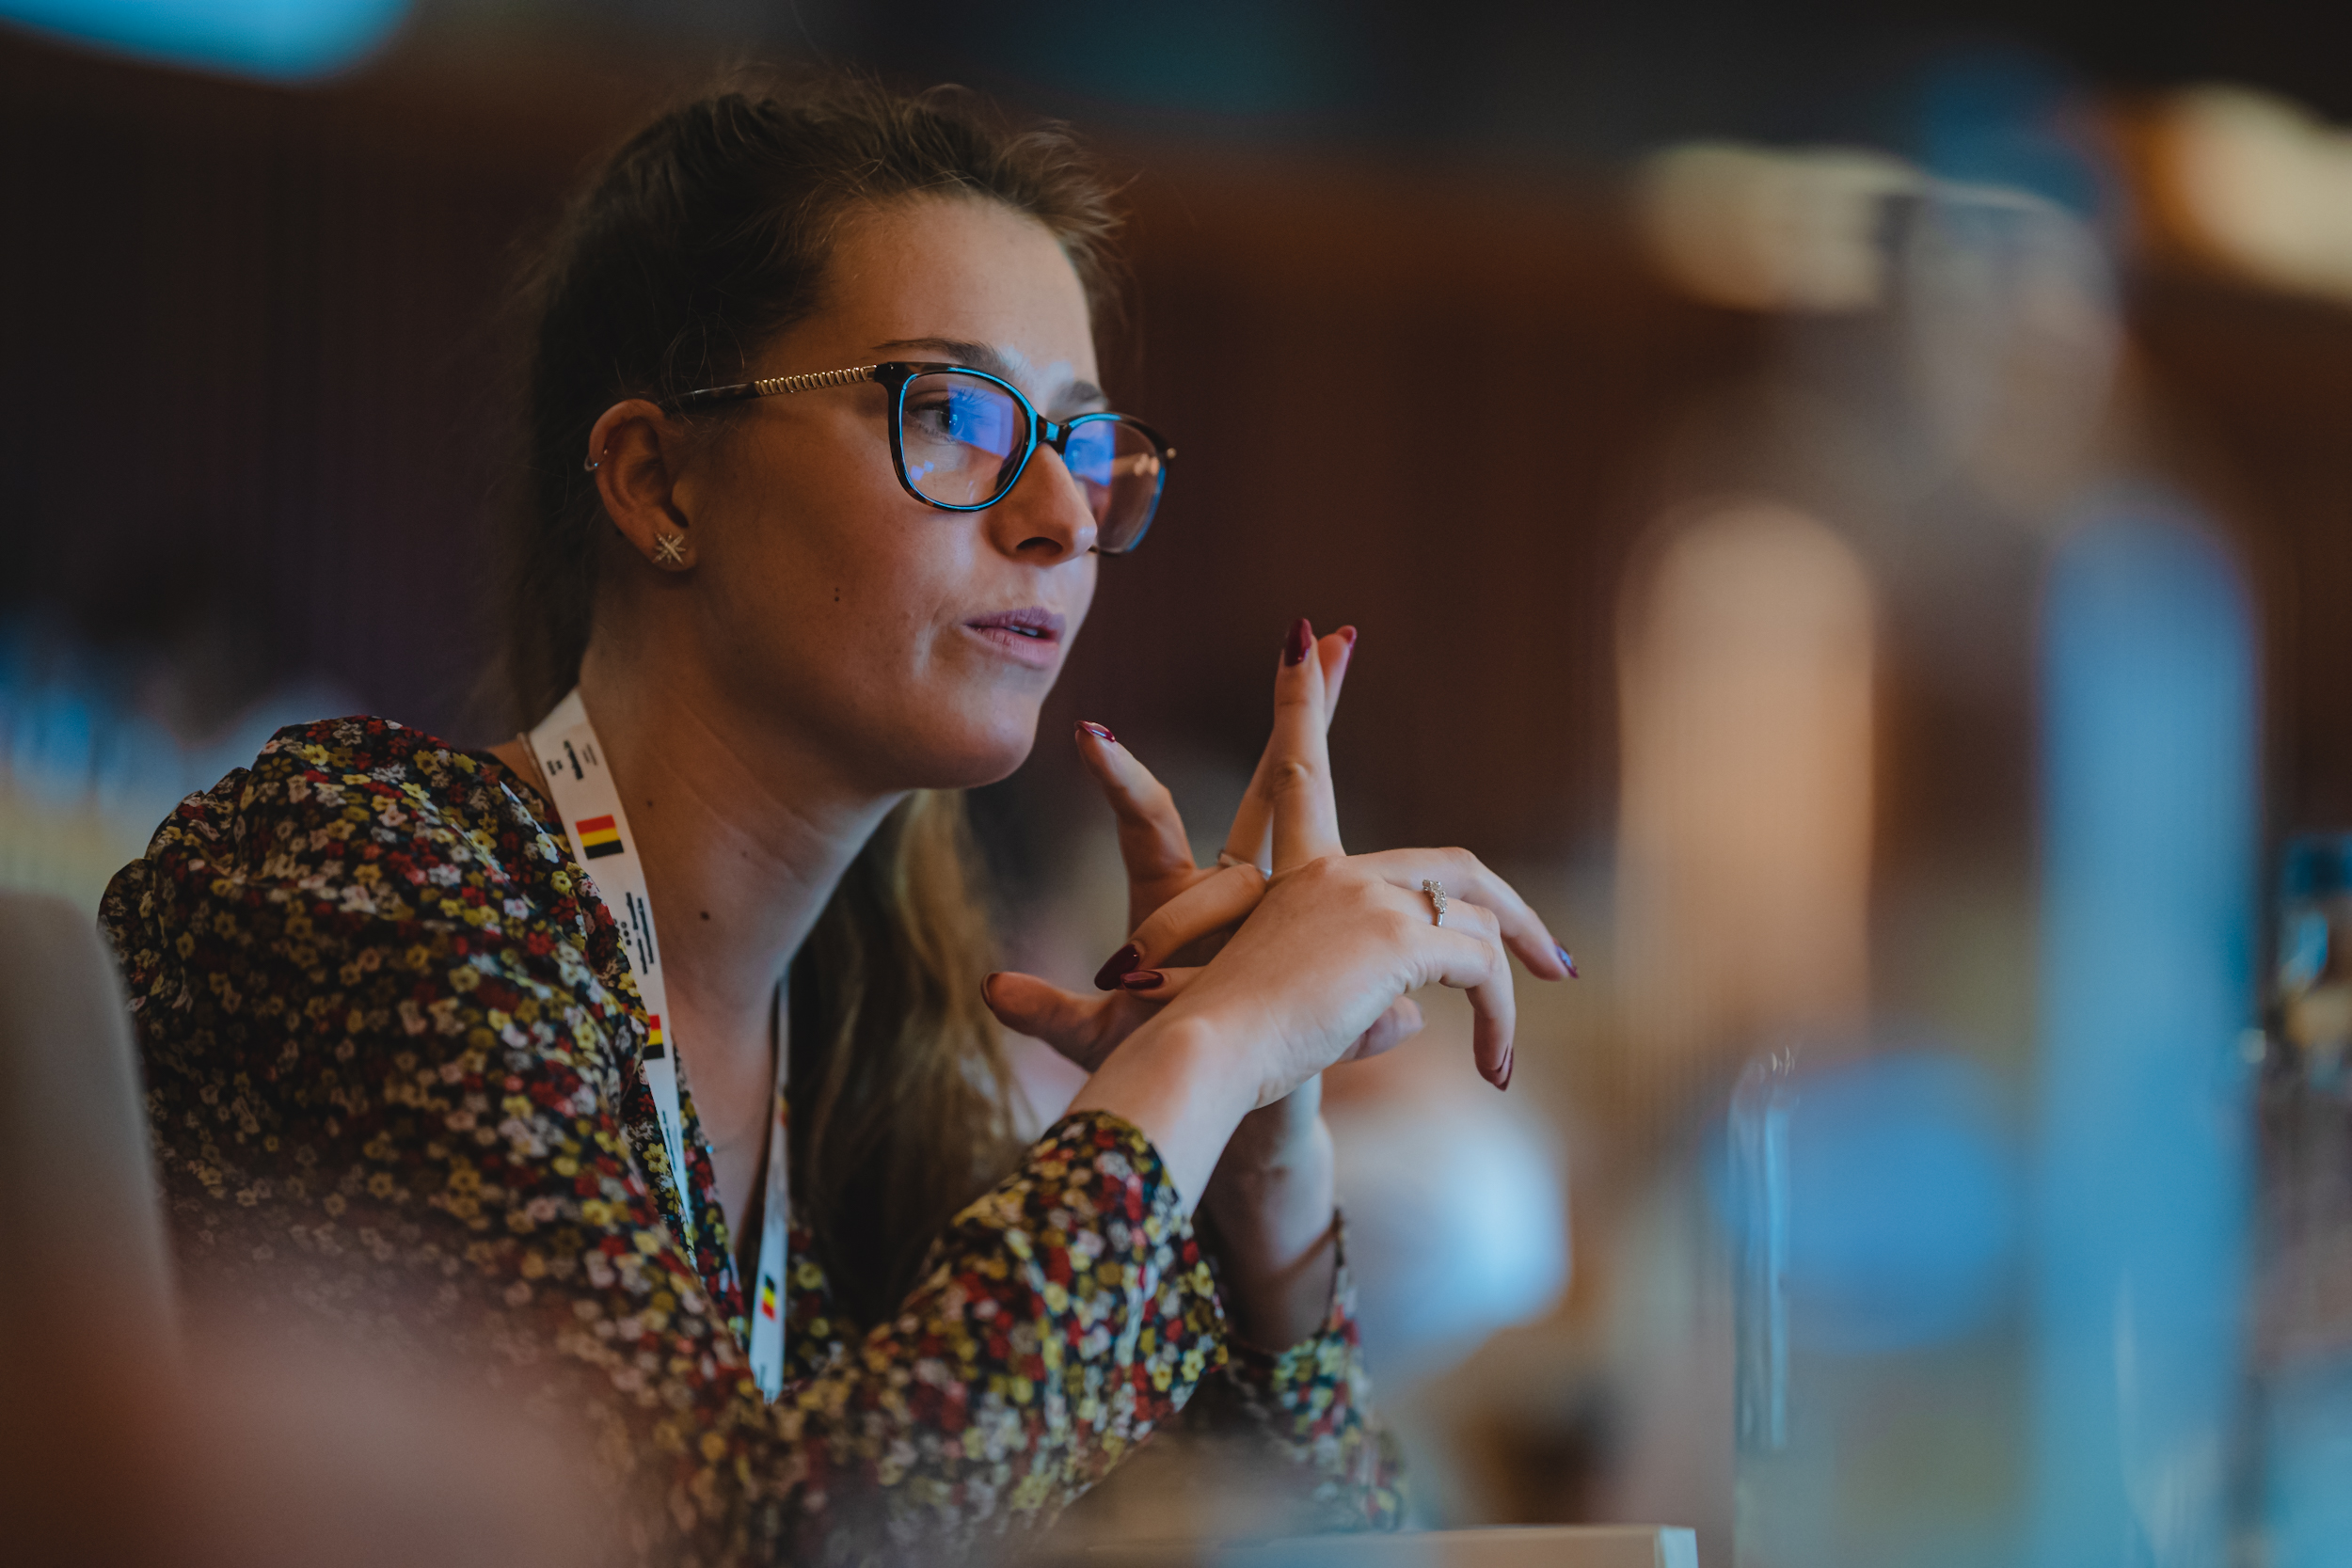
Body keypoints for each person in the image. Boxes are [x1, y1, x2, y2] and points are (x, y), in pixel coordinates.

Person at [99, 72, 1574, 1565]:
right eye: (952, 414)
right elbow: (742, 1544)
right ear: (656, 478)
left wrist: (1266, 1164)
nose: (1061, 516)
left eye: (1080, 441)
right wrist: (1212, 1046)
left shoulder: (867, 1058)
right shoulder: (363, 878)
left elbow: (1334, 1543)